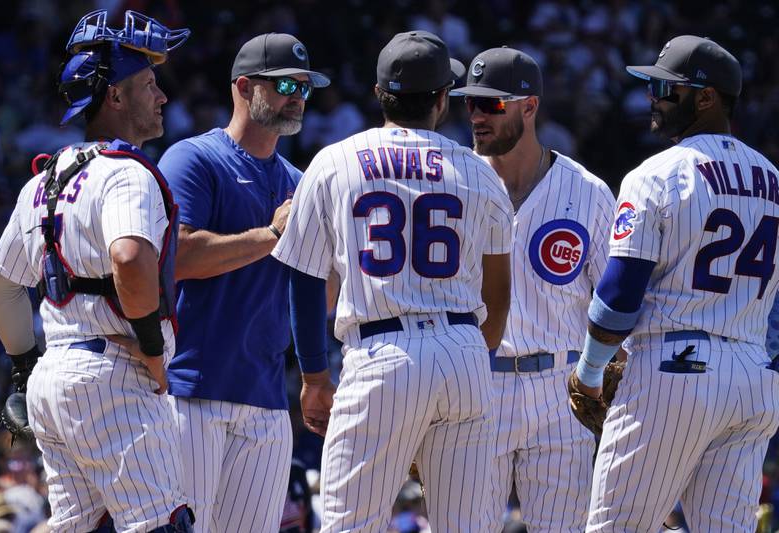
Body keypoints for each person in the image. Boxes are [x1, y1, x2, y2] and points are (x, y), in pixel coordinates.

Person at [272, 30, 513, 531]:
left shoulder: (335, 161)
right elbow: (499, 291)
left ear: (380, 93)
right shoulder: (479, 172)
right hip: (463, 348)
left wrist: (315, 378)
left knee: (350, 524)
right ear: (443, 98)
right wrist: (467, 359)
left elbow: (304, 279)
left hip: (382, 353)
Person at [0, 9, 194, 532]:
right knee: (161, 524)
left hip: (57, 375)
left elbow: (2, 284)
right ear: (115, 96)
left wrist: (27, 368)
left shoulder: (40, 183)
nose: (162, 96)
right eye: (148, 84)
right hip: (114, 375)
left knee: (81, 526)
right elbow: (128, 256)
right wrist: (151, 350)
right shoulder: (126, 174)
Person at [571, 35, 779, 531]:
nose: (654, 98)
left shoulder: (659, 173)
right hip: (753, 377)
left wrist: (589, 371)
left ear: (706, 98)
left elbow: (619, 297)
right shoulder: (773, 178)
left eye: (667, 87)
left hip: (675, 369)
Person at [157, 33, 330, 533]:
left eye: (304, 87)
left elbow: (317, 292)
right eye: (283, 85)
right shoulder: (192, 159)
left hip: (268, 401)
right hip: (192, 391)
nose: (297, 96)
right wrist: (272, 234)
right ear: (243, 87)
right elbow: (179, 258)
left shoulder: (302, 183)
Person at [450, 47, 616, 531]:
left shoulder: (588, 192)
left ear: (530, 105)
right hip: (476, 384)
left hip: (561, 388)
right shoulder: (452, 184)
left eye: (492, 104)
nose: (477, 115)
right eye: (470, 103)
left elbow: (614, 307)